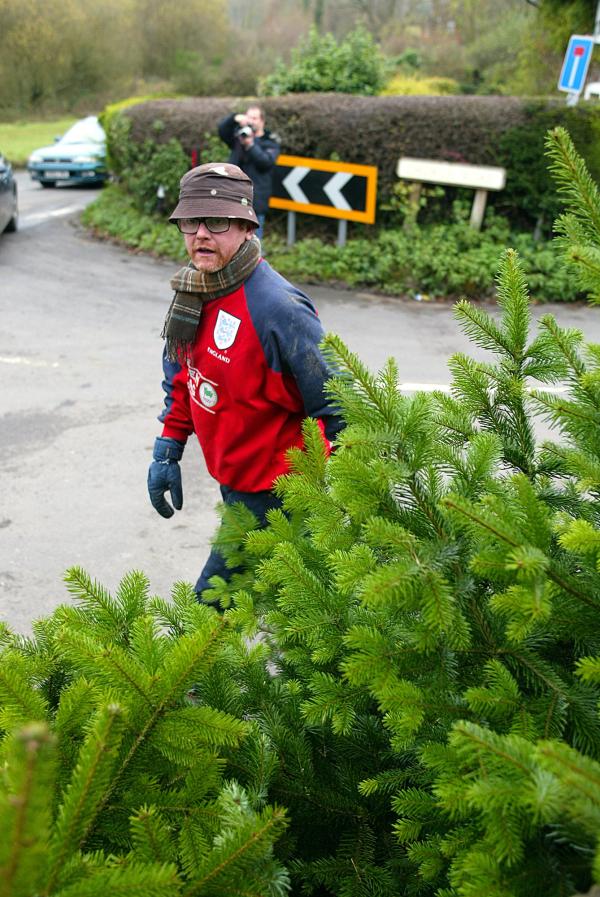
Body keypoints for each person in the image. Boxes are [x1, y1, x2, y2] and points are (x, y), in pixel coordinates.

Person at [147, 162, 343, 606]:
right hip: (235, 480)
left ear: (245, 225)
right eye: (189, 222)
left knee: (207, 613)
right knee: (283, 610)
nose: (200, 234)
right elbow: (184, 374)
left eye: (215, 222)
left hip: (277, 492)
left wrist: (330, 496)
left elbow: (339, 408)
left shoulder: (277, 308)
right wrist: (169, 445)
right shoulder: (195, 290)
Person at [217, 105, 280, 239]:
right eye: (249, 117)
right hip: (233, 196)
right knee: (230, 239)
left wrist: (251, 145)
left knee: (253, 241)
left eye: (254, 118)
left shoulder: (270, 141)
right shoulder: (238, 137)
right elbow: (222, 130)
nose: (251, 121)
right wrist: (234, 118)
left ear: (262, 121)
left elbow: (265, 162)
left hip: (255, 201)